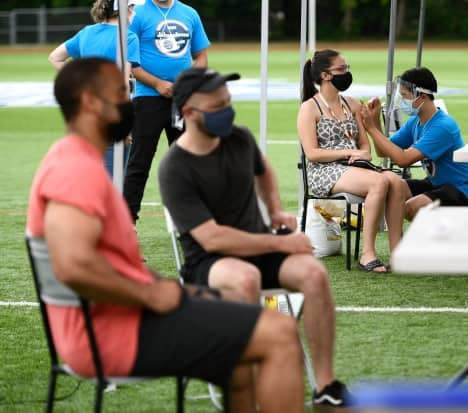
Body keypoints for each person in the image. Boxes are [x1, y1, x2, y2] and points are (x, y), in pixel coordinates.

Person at [27, 57, 304, 413]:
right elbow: (73, 265)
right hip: (110, 333)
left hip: (121, 318)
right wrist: (150, 293)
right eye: (121, 93)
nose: (132, 102)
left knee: (242, 351)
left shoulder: (75, 159)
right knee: (277, 332)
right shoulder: (74, 168)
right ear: (90, 103)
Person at [158, 67, 352, 408]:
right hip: (210, 261)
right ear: (189, 113)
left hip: (259, 246)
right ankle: (250, 386)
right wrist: (281, 241)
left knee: (314, 274)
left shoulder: (239, 138)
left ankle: (325, 385)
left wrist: (275, 210)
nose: (227, 112)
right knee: (245, 278)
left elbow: (264, 171)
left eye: (228, 102)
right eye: (217, 106)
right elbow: (213, 239)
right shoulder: (175, 166)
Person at [297, 49, 408, 273]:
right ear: (325, 75)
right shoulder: (309, 108)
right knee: (378, 182)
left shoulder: (352, 104)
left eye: (347, 68)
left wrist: (363, 152)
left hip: (354, 167)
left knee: (396, 181)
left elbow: (364, 144)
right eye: (341, 69)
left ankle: (398, 254)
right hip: (324, 171)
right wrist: (348, 154)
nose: (346, 73)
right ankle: (367, 254)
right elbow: (312, 153)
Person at [361, 66, 468, 220]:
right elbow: (384, 151)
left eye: (404, 96)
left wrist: (371, 129)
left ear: (421, 97)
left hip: (466, 188)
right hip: (439, 183)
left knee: (411, 208)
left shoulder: (443, 126)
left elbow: (403, 160)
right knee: (393, 187)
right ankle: (399, 241)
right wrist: (375, 121)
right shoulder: (415, 121)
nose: (400, 101)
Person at [123, 0, 210, 223]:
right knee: (139, 163)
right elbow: (130, 62)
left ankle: (193, 222)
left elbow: (201, 56)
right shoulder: (136, 14)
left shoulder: (189, 13)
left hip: (183, 101)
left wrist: (189, 81)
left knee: (188, 162)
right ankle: (126, 222)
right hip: (148, 100)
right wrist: (157, 84)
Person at [48, 0, 141, 177]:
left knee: (88, 172)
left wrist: (81, 83)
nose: (134, 12)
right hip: (112, 113)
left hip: (86, 115)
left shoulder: (87, 33)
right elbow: (123, 83)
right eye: (132, 7)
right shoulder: (128, 37)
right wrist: (126, 124)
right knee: (112, 179)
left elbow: (55, 57)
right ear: (123, 10)